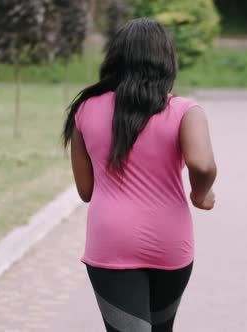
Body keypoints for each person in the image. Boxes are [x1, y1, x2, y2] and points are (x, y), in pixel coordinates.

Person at [62, 18, 217, 332]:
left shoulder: (85, 109)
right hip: (170, 241)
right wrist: (201, 195)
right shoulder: (186, 112)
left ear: (115, 59)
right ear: (167, 61)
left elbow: (86, 190)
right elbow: (203, 165)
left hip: (111, 242)